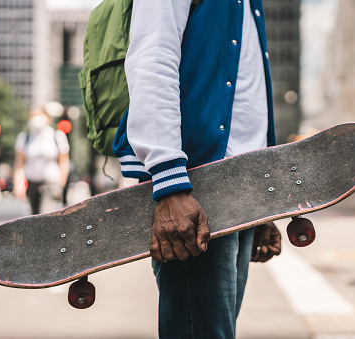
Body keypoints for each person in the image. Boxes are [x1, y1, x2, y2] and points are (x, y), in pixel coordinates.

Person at [113, 1, 282, 337]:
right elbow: (152, 55)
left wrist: (265, 201)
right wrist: (169, 179)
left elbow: (248, 88)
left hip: (243, 183)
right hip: (195, 184)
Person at [13, 107, 70, 215]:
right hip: (32, 183)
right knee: (34, 217)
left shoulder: (57, 136)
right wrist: (18, 184)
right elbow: (19, 164)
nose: (36, 119)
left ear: (47, 118)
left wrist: (61, 184)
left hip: (51, 183)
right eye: (33, 116)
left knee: (45, 215)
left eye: (39, 115)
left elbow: (64, 162)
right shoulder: (25, 137)